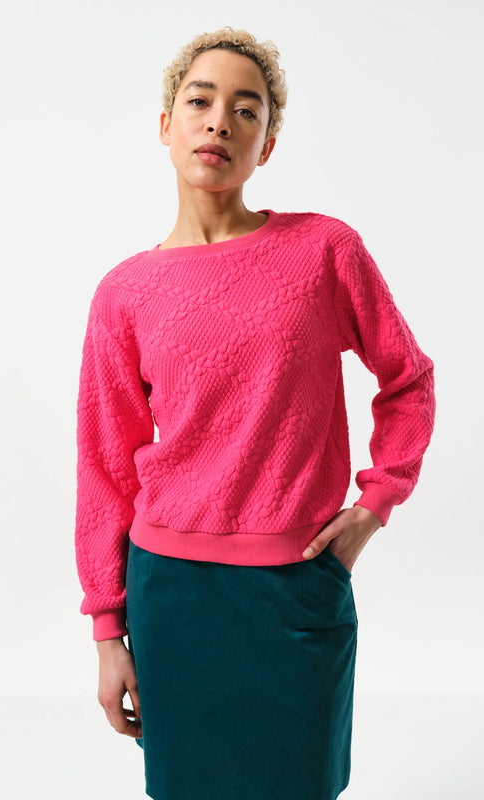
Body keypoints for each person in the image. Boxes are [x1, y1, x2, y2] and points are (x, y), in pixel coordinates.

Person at [74, 26, 436, 800]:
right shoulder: (124, 293)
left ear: (265, 145)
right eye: (199, 101)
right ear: (165, 124)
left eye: (246, 110)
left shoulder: (323, 250)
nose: (219, 122)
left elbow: (406, 378)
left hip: (296, 583)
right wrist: (107, 630)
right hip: (171, 595)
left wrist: (376, 503)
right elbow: (104, 467)